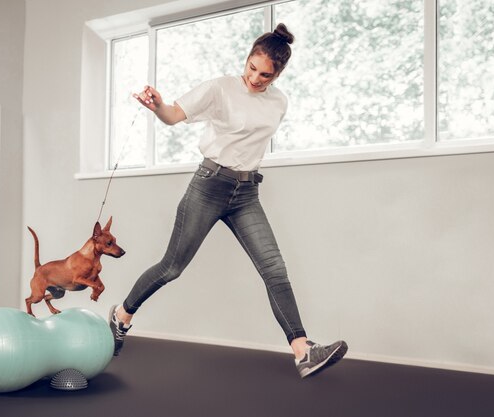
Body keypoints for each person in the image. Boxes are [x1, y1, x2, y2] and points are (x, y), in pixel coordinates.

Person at [109, 23, 347, 378]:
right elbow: (174, 116)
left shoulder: (279, 102)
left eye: (265, 75)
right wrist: (158, 105)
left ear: (278, 73)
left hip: (246, 193)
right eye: (252, 68)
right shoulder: (220, 88)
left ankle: (302, 350)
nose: (255, 78)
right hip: (208, 186)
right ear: (247, 59)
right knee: (172, 267)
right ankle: (122, 315)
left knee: (274, 269)